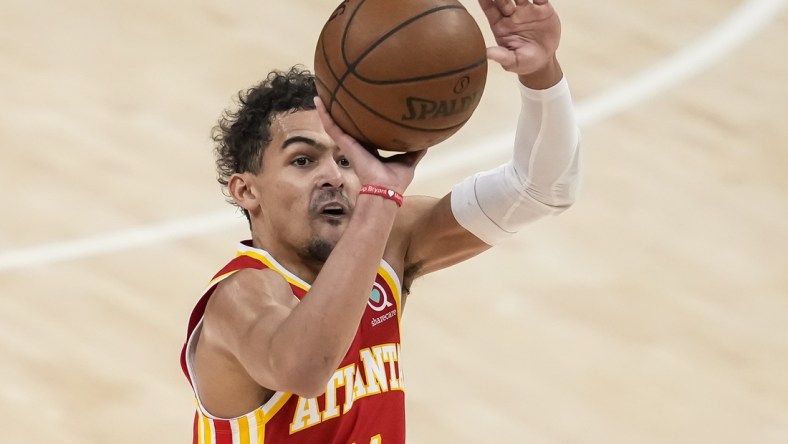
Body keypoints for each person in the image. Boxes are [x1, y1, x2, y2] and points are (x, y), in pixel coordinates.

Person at [180, 0, 581, 442]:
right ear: (246, 190)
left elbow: (540, 190)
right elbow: (306, 369)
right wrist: (379, 197)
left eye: (347, 159)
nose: (333, 175)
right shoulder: (241, 297)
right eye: (303, 159)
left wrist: (541, 74)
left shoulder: (388, 240)